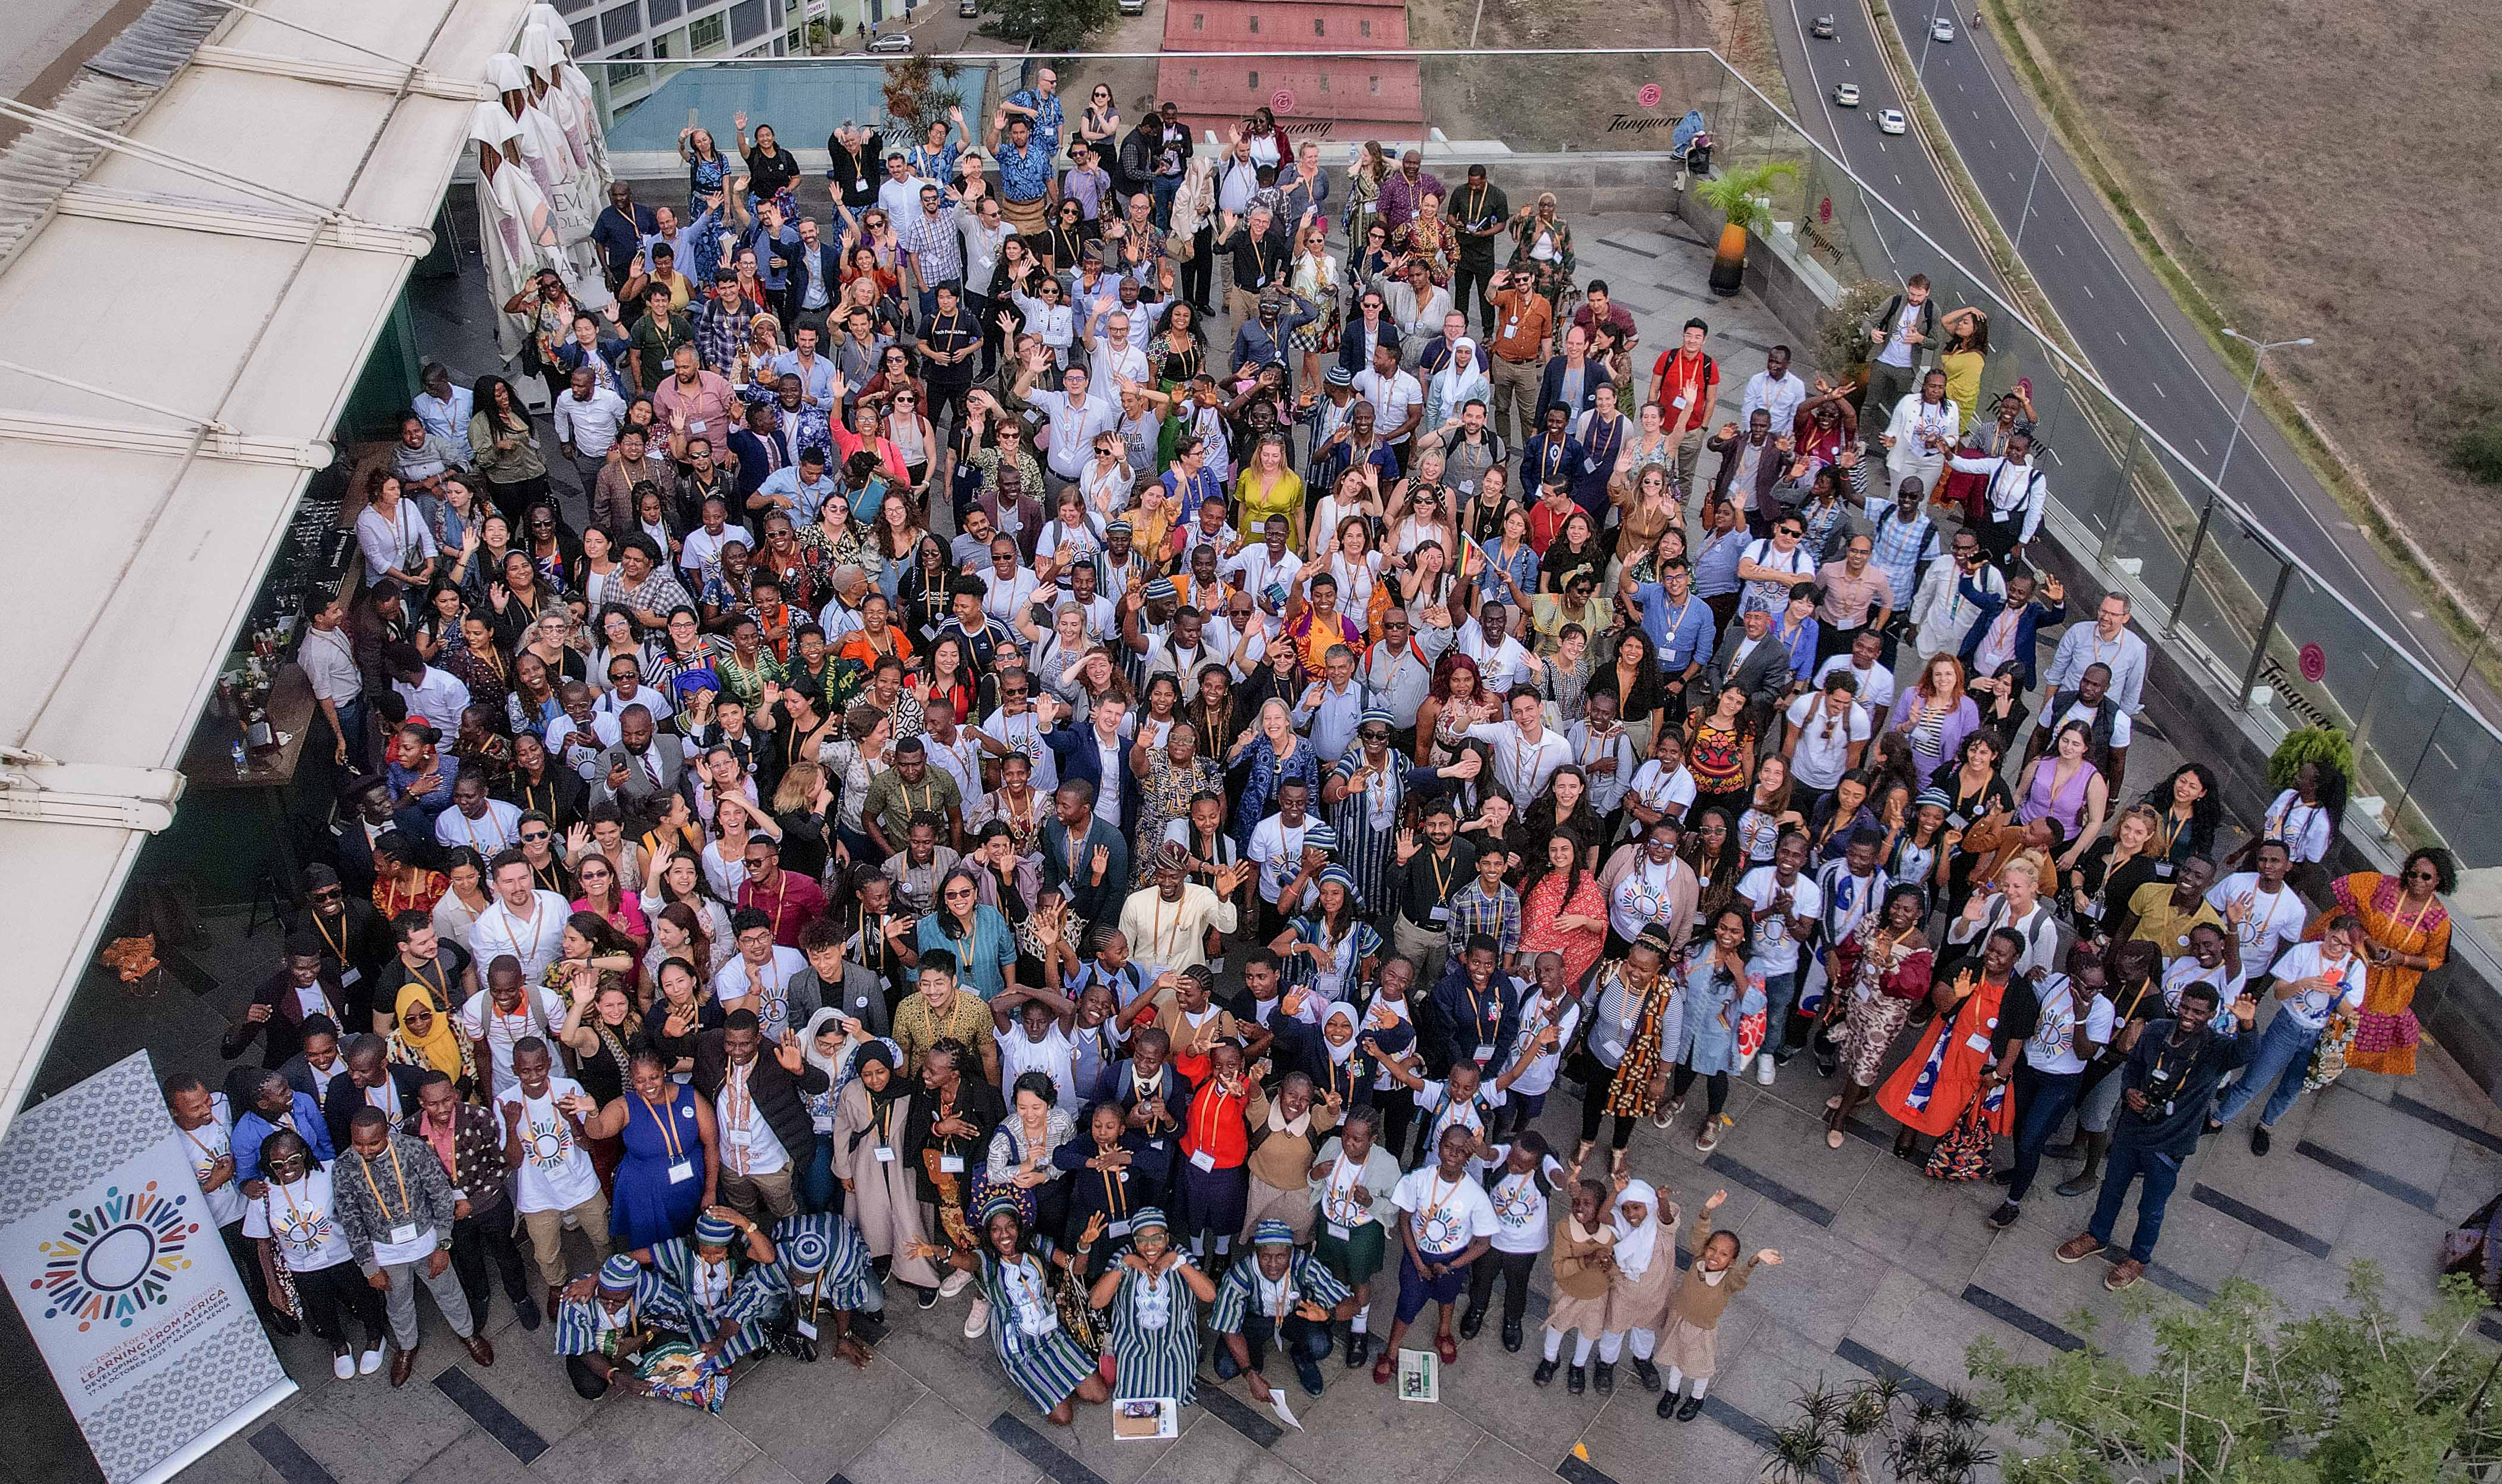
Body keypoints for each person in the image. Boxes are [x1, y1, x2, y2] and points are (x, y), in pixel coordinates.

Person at [2056, 981, 2256, 1290]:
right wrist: (2130, 1091)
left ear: (2212, 1015)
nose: (2189, 1016)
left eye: (2199, 1012)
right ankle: (2097, 1236)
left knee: (2151, 1207)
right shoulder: (2157, 1029)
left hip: (2170, 1141)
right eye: (2186, 1008)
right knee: (2111, 1189)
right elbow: (2134, 1066)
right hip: (2133, 1128)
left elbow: (2245, 1052)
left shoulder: (2216, 1048)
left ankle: (2138, 1258)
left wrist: (2247, 1023)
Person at [911, 1196, 1114, 1426]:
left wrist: (1084, 1246)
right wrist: (938, 1251)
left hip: (1051, 1334)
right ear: (988, 1234)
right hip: (1018, 1347)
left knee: (1099, 1395)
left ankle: (1060, 1376)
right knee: (1063, 1418)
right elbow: (964, 1261)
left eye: (1009, 1227)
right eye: (996, 1230)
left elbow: (1076, 1268)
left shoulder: (1036, 1244)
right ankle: (1037, 1378)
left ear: (1019, 1227)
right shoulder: (985, 1260)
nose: (1004, 1235)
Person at [333, 1108, 493, 1384]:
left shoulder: (413, 1150)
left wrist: (443, 1245)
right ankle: (407, 1347)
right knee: (398, 1302)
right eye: (358, 1143)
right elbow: (350, 1219)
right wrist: (369, 1267)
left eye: (373, 1143)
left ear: (387, 1134)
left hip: (428, 1242)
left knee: (449, 1291)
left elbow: (442, 1197)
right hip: (386, 1251)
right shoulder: (345, 1166)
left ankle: (468, 1334)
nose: (366, 1150)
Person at [2205, 913, 2367, 1153]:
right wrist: (2303, 984)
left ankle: (2266, 1126)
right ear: (2326, 932)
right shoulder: (2304, 953)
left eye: (2346, 946)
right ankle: (2218, 1120)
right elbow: (2279, 994)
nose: (2339, 949)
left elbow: (2348, 1010)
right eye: (2335, 940)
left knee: (2292, 1087)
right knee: (2256, 1077)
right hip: (2288, 1026)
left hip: (2320, 1036)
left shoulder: (2354, 967)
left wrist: (2336, 993)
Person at [244, 1131, 391, 1380]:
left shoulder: (329, 1172)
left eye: (293, 1160)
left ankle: (376, 1337)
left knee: (365, 1298)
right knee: (321, 1311)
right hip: (302, 1267)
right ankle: (340, 1347)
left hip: (343, 1255)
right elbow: (263, 1246)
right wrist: (272, 1286)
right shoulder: (263, 1195)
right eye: (277, 1165)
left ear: (304, 1154)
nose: (286, 1169)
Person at [1371, 1124, 1498, 1383]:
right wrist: (1418, 1262)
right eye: (1448, 1147)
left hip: (1453, 1258)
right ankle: (1392, 1350)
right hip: (1418, 1255)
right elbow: (1404, 1221)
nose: (1453, 1154)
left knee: (1447, 1295)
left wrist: (1451, 1266)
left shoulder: (1476, 1196)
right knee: (1407, 1303)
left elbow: (1483, 1244)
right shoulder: (1418, 1179)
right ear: (1439, 1145)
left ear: (1468, 1157)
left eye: (1461, 1151)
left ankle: (1444, 1331)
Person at [2323, 848, 2454, 1078]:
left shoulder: (2439, 921)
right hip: (2353, 965)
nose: (2417, 881)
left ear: (2438, 881)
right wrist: (2368, 941)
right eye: (2413, 874)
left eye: (2426, 877)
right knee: (2324, 1009)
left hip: (2387, 989)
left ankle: (2327, 1068)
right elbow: (2347, 905)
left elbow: (2434, 960)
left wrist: (2401, 959)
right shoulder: (2383, 887)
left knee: (2353, 1030)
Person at [583, 1045, 717, 1252]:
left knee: (697, 1244)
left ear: (664, 1071)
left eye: (654, 1077)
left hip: (693, 1185)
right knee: (655, 1251)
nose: (648, 1086)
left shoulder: (690, 1095)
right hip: (647, 1195)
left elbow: (711, 1144)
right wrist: (592, 1113)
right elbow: (598, 1131)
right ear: (632, 1079)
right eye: (640, 1081)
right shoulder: (624, 1105)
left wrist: (710, 1190)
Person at [1649, 1209, 1780, 1420]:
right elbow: (1698, 1235)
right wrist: (1706, 1212)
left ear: (1732, 1261)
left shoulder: (1728, 1280)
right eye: (1713, 1249)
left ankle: (1697, 1397)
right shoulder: (1698, 1261)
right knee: (1677, 1359)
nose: (1715, 1256)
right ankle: (1672, 1392)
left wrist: (1755, 1259)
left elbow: (1741, 1277)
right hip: (1680, 1320)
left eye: (1724, 1254)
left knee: (1700, 1368)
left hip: (1702, 1330)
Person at [1209, 1217, 1357, 1400]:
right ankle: (1252, 1354)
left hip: (1296, 1316)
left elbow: (1353, 1305)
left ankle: (1301, 1355)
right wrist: (1250, 1375)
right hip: (1255, 1321)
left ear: (1291, 1252)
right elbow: (1228, 1328)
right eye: (1266, 1256)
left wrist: (1328, 1314)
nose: (1273, 1265)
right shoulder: (1240, 1274)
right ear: (1256, 1252)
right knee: (1226, 1367)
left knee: (1321, 1346)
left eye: (1280, 1257)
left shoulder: (1305, 1265)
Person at [1088, 1206, 1218, 1406]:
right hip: (1134, 1344)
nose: (1150, 1246)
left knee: (1174, 1394)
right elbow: (1096, 1302)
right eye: (1142, 1240)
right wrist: (1126, 1263)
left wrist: (1176, 1261)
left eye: (1157, 1238)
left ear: (1167, 1239)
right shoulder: (1124, 1256)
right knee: (1132, 1394)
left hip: (1176, 1343)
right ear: (1134, 1241)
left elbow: (1209, 1295)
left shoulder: (1181, 1255)